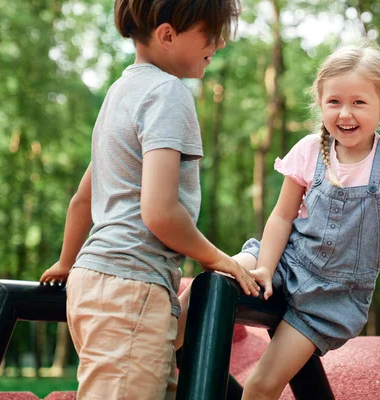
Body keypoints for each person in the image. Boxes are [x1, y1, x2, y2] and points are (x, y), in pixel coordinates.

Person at [185, 39, 380, 400]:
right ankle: (168, 352)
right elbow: (282, 216)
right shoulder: (308, 150)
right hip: (285, 261)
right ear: (320, 102)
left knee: (261, 386)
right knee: (209, 286)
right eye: (334, 101)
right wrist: (266, 267)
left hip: (331, 298)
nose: (344, 113)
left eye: (358, 102)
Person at [39, 0, 260, 398]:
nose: (221, 43)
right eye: (211, 32)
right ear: (168, 34)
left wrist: (68, 262)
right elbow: (159, 213)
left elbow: (82, 199)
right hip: (131, 285)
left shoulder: (120, 93)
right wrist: (217, 258)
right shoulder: (167, 93)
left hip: (93, 282)